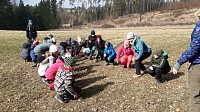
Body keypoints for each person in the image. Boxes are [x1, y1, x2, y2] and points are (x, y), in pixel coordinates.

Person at [172, 11, 200, 112]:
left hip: (198, 66)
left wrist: (179, 62)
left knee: (195, 98)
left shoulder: (199, 28)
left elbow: (194, 48)